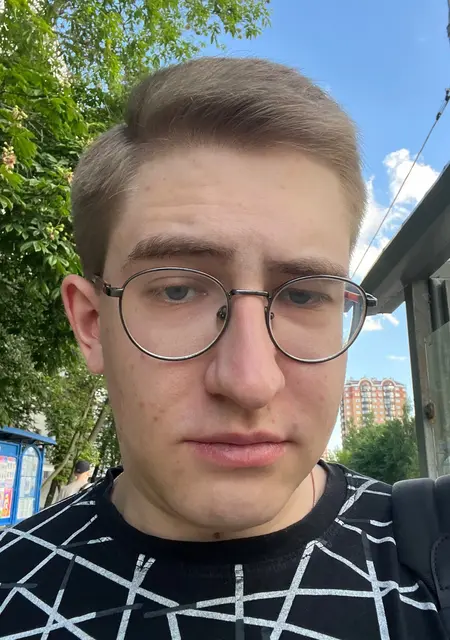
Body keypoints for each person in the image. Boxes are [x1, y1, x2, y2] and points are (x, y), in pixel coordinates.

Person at [0, 57, 446, 639]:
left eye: (304, 295)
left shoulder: (432, 560)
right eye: (177, 290)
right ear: (90, 324)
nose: (250, 381)